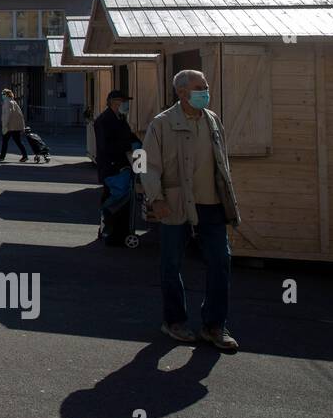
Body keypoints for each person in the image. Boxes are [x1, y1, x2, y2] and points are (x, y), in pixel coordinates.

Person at [141, 70, 241, 351]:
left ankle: (214, 326)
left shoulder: (212, 120)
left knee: (220, 262)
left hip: (212, 205)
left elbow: (222, 163)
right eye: (200, 87)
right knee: (171, 264)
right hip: (175, 204)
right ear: (182, 92)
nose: (205, 91)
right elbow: (147, 164)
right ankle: (174, 321)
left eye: (206, 86)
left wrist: (229, 198)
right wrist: (155, 198)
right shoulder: (162, 124)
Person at [93, 90, 141, 245]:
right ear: (114, 102)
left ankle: (111, 231)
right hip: (113, 167)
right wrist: (129, 146)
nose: (126, 104)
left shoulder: (119, 118)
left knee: (116, 197)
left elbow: (128, 136)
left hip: (118, 166)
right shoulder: (104, 120)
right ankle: (112, 233)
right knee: (117, 199)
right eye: (123, 101)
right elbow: (105, 146)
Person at [0, 88, 29, 162]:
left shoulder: (7, 102)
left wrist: (5, 125)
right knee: (17, 141)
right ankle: (25, 156)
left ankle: (2, 156)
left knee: (5, 141)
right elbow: (20, 114)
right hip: (15, 126)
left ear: (6, 94)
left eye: (3, 94)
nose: (2, 95)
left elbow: (7, 115)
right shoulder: (13, 101)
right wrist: (22, 126)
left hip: (9, 126)